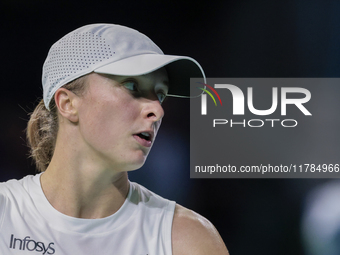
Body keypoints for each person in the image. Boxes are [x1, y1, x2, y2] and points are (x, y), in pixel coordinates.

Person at [0, 23, 229, 254]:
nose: (158, 111)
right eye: (132, 86)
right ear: (67, 104)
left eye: (160, 94)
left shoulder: (188, 240)